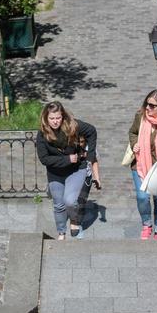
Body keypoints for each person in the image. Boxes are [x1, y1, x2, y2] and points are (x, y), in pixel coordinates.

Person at [36, 101, 100, 239]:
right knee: (58, 204)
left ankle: (75, 221)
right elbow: (44, 159)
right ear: (46, 119)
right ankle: (61, 232)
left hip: (76, 169)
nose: (55, 122)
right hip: (55, 172)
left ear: (63, 116)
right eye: (51, 119)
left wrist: (90, 155)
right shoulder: (42, 134)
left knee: (70, 201)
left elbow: (92, 131)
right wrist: (67, 159)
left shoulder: (73, 125)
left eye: (58, 118)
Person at [128, 89, 157, 239]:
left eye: (152, 105)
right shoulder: (140, 117)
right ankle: (147, 223)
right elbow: (133, 132)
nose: (147, 108)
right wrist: (134, 143)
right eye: (146, 104)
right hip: (141, 163)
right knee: (143, 197)